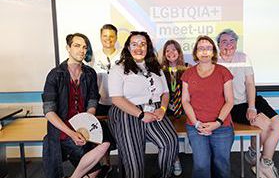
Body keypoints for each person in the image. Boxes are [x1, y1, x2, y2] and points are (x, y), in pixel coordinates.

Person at [108, 31, 178, 178]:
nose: (139, 48)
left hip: (155, 110)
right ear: (128, 47)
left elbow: (165, 92)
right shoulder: (118, 69)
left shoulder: (155, 67)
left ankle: (164, 175)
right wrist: (140, 114)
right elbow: (116, 99)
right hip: (127, 113)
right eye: (134, 44)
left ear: (148, 47)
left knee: (170, 143)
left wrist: (163, 109)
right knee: (135, 164)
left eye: (143, 44)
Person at [217, 29, 279, 178]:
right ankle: (257, 157)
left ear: (236, 43)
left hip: (251, 99)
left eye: (232, 41)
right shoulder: (215, 61)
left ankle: (264, 162)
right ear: (218, 45)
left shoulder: (243, 57)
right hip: (233, 106)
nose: (228, 44)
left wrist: (252, 106)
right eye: (224, 41)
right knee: (266, 127)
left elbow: (249, 83)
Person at [42, 33, 103, 178]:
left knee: (95, 171)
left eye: (84, 47)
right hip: (61, 132)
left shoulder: (90, 73)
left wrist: (87, 123)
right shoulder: (55, 74)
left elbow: (93, 101)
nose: (81, 50)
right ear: (68, 48)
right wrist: (72, 134)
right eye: (77, 46)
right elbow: (49, 111)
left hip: (82, 131)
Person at [181, 35, 234, 178]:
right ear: (196, 52)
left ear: (213, 52)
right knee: (201, 165)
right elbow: (185, 101)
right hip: (196, 126)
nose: (204, 51)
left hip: (222, 126)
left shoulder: (223, 72)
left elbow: (230, 101)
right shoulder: (188, 74)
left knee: (221, 165)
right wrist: (197, 123)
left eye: (208, 48)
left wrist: (217, 123)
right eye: (201, 48)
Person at [90, 24, 119, 176]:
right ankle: (105, 165)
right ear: (101, 37)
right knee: (102, 135)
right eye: (105, 36)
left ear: (116, 38)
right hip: (100, 101)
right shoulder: (93, 56)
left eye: (111, 36)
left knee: (120, 133)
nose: (108, 39)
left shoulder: (123, 55)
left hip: (119, 102)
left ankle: (126, 162)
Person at [161, 40, 190, 176]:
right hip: (166, 110)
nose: (171, 53)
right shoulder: (160, 70)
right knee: (170, 135)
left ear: (179, 52)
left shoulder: (188, 68)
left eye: (174, 50)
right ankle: (175, 159)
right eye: (167, 51)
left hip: (184, 109)